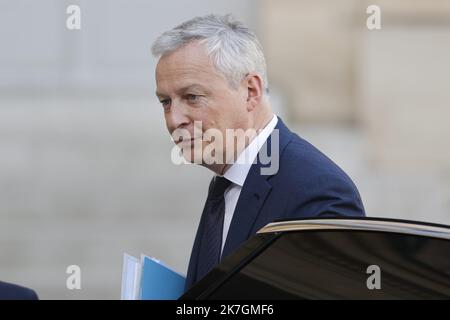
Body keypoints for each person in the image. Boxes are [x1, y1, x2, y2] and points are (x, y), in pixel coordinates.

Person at [151, 14, 365, 291]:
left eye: (192, 97)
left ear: (251, 92)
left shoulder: (317, 191)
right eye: (165, 102)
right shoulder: (227, 181)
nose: (173, 119)